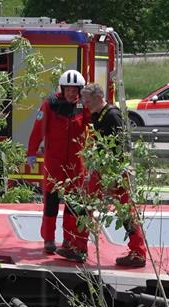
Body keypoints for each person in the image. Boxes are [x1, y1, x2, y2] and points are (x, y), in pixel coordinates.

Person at [77, 83, 147, 267]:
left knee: (126, 211)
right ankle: (79, 246)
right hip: (103, 167)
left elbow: (121, 147)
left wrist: (114, 176)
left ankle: (138, 252)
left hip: (115, 170)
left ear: (98, 97)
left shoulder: (112, 116)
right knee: (86, 202)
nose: (85, 103)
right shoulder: (97, 115)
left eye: (88, 99)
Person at [27, 69, 90, 254]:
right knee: (52, 202)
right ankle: (48, 239)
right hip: (54, 163)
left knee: (73, 205)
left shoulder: (82, 106)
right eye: (68, 89)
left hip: (76, 164)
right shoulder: (50, 104)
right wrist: (31, 151)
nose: (72, 93)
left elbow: (91, 127)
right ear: (62, 89)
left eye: (75, 90)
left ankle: (70, 241)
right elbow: (38, 128)